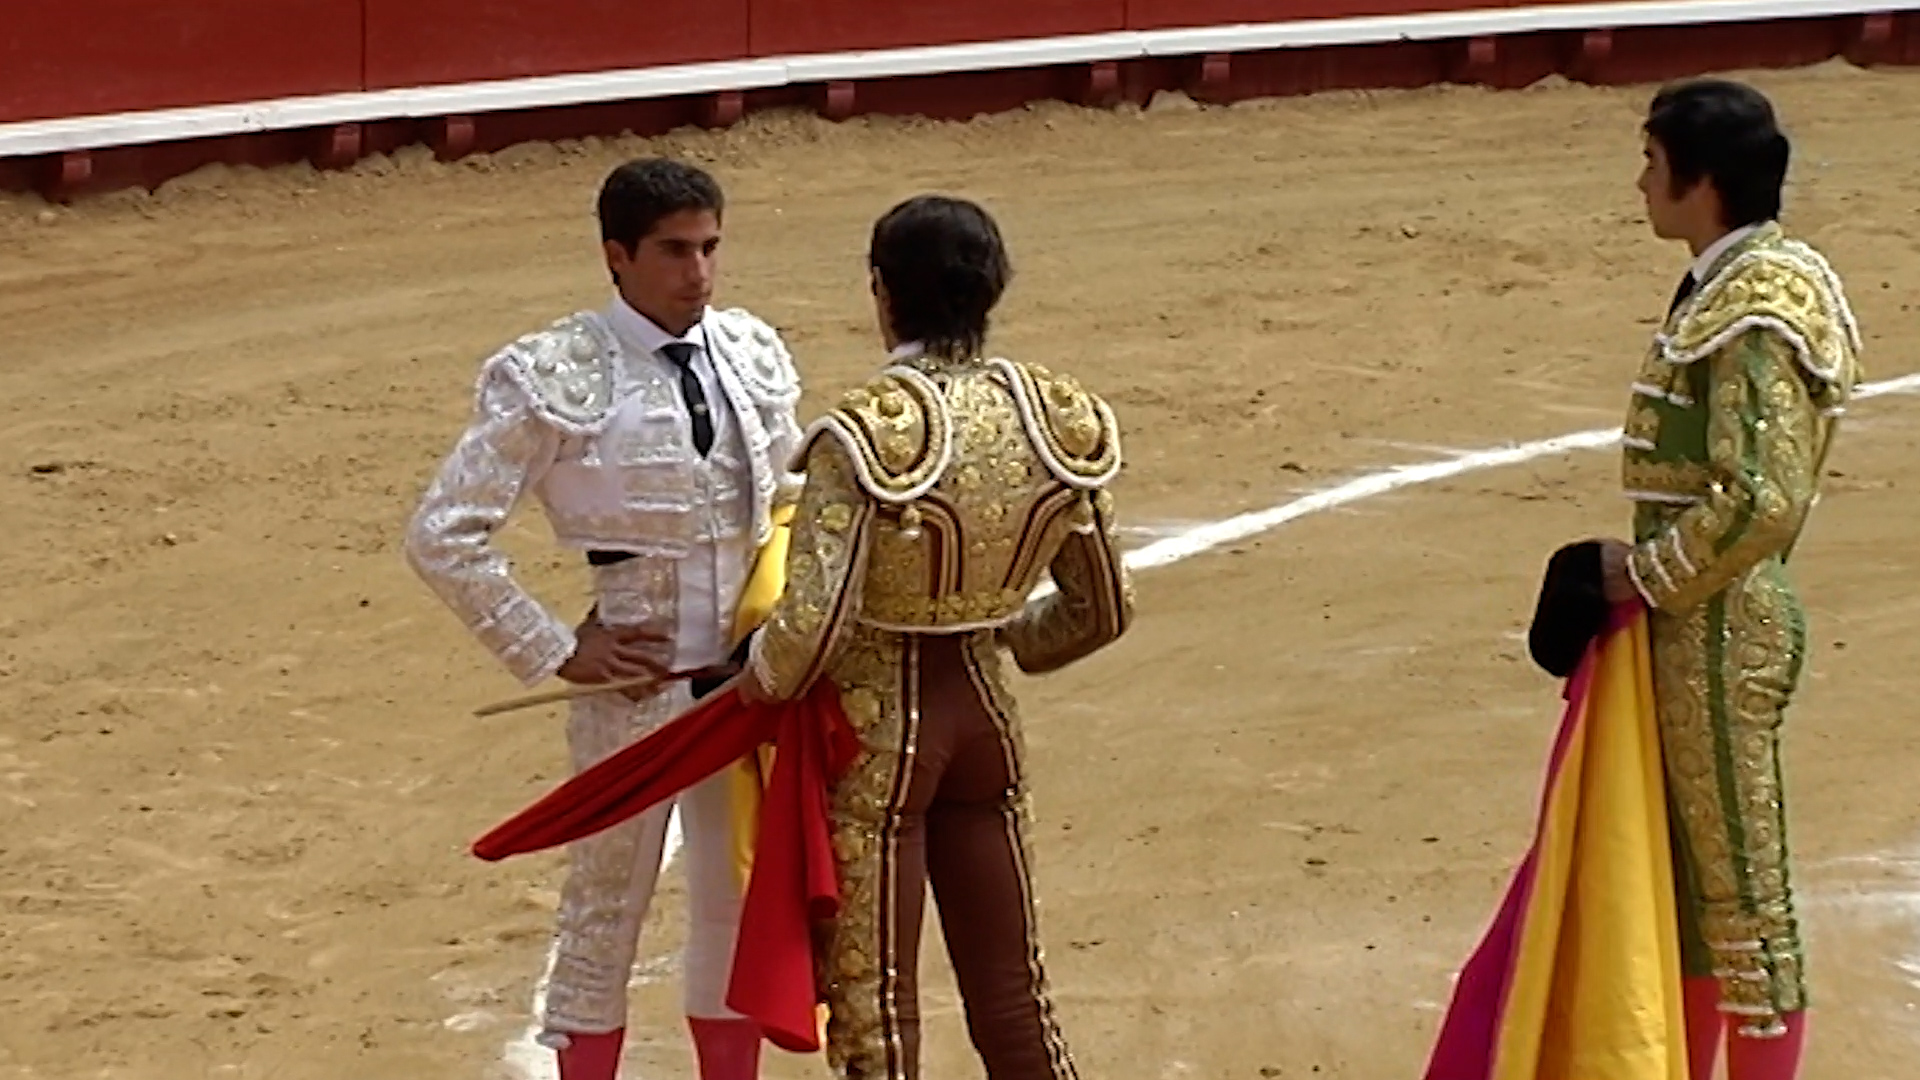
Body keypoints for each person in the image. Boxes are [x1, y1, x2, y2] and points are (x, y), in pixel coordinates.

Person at [403, 157, 805, 1080]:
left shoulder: (749, 354)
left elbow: (791, 503)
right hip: (633, 695)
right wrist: (554, 646)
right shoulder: (555, 373)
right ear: (616, 256)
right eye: (673, 251)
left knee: (731, 906)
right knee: (604, 914)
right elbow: (441, 535)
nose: (697, 273)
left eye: (709, 248)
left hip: (744, 685)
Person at [731, 193, 1133, 1079]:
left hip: (883, 740)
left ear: (883, 291)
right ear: (991, 290)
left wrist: (750, 680)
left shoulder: (865, 433)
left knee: (877, 1009)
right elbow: (1102, 607)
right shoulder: (1054, 418)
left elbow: (814, 625)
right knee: (1014, 995)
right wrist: (1016, 640)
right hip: (987, 719)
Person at [1596, 78, 1863, 1080]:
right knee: (1699, 894)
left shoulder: (1752, 303)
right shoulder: (1744, 275)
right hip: (1699, 621)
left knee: (1743, 899)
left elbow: (1763, 498)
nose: (1641, 182)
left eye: (1653, 163)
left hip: (1718, 624)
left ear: (1700, 182)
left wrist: (1646, 575)